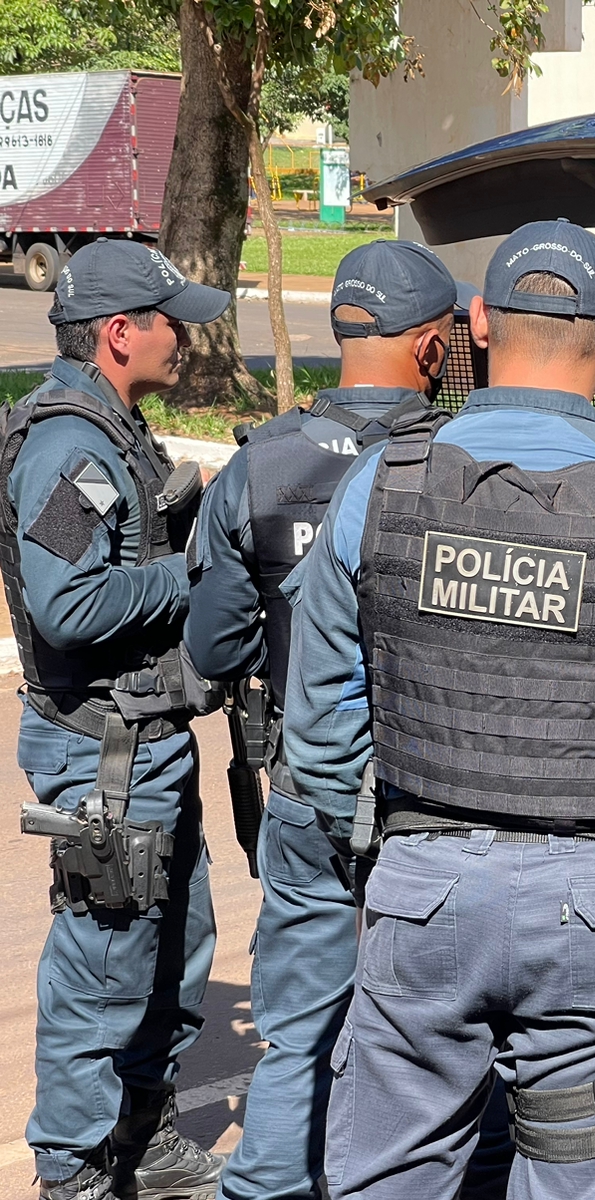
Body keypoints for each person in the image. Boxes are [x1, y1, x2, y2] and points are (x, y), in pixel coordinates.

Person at [281, 219, 595, 1200]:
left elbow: (317, 734)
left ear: (478, 322)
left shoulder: (376, 486)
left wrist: (378, 868)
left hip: (420, 890)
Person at [184, 240, 515, 1200]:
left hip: (302, 786)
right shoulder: (469, 460)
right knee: (460, 1044)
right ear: (428, 347)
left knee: (299, 1036)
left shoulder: (257, 466)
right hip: (447, 798)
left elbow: (210, 654)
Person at [3, 238, 232, 1200]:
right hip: (106, 748)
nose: (183, 335)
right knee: (101, 965)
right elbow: (65, 603)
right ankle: (75, 1169)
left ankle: (142, 1131)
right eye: (170, 319)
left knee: (173, 946)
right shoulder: (75, 445)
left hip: (143, 737)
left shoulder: (112, 428)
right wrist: (184, 575)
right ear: (118, 334)